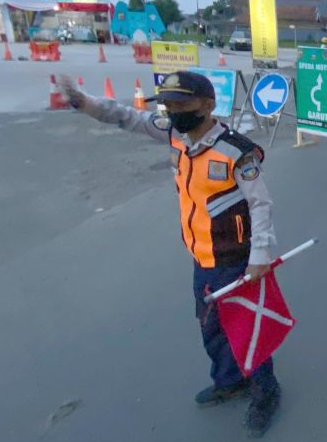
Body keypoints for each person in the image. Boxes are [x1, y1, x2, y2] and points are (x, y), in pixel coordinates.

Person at [58, 71, 281, 438]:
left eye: (183, 104)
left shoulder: (236, 151)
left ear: (207, 105)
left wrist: (260, 255)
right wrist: (85, 103)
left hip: (236, 260)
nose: (174, 111)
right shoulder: (175, 134)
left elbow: (261, 204)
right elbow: (128, 118)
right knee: (210, 324)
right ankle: (230, 380)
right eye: (169, 105)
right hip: (201, 256)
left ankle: (265, 391)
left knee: (247, 327)